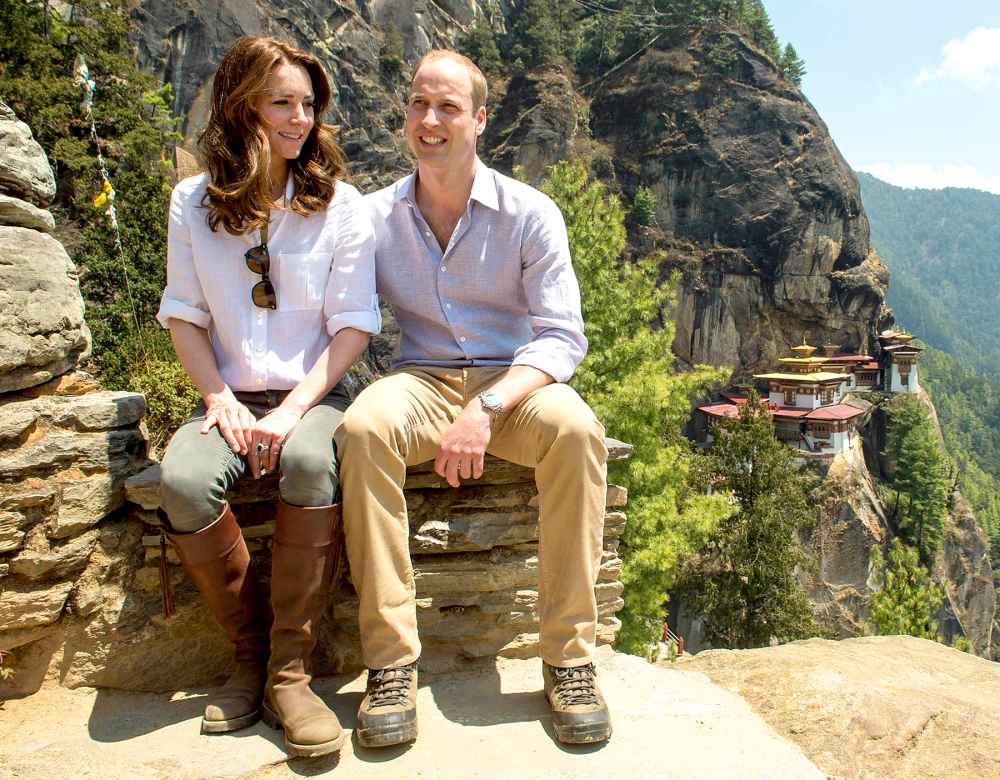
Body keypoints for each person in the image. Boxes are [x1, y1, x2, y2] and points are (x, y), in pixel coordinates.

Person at [335, 49, 612, 748]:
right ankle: (391, 662)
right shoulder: (372, 219)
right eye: (419, 105)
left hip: (513, 384)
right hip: (421, 380)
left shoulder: (529, 214)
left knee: (578, 432)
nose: (430, 121)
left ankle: (569, 659)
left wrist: (485, 409)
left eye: (449, 107)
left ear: (479, 120)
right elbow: (335, 313)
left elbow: (560, 338)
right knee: (364, 428)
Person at [156, 36, 379, 758]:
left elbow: (351, 327)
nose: (297, 119)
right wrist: (217, 397)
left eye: (308, 105)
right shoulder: (192, 202)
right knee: (184, 482)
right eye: (280, 101)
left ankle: (290, 672)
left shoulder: (338, 205)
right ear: (239, 103)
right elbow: (184, 314)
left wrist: (289, 412)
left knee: (313, 464)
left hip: (314, 394)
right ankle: (249, 656)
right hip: (227, 396)